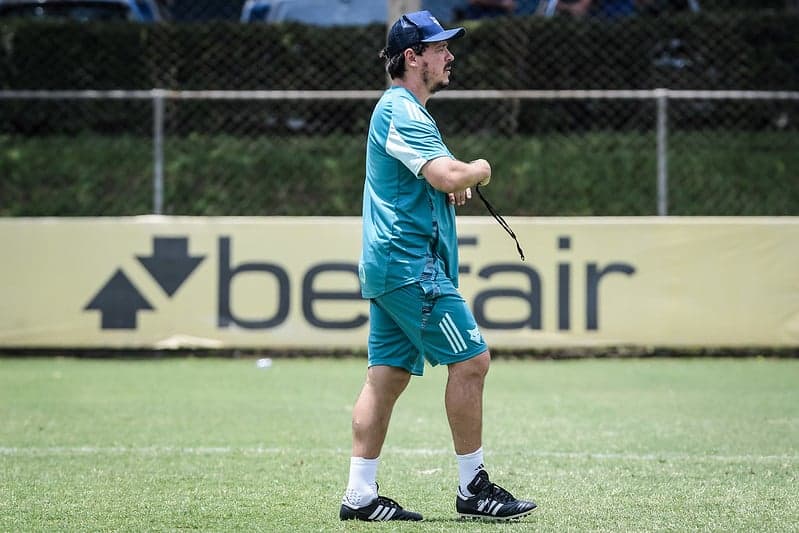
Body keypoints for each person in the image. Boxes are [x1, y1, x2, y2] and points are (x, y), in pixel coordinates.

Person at [338, 9, 537, 523]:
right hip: (410, 267)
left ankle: (359, 496)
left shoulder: (405, 111)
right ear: (412, 57)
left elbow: (433, 176)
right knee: (472, 361)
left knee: (385, 379)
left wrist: (450, 180)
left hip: (393, 267)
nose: (449, 56)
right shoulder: (401, 109)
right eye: (439, 48)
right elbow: (446, 174)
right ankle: (473, 487)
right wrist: (478, 169)